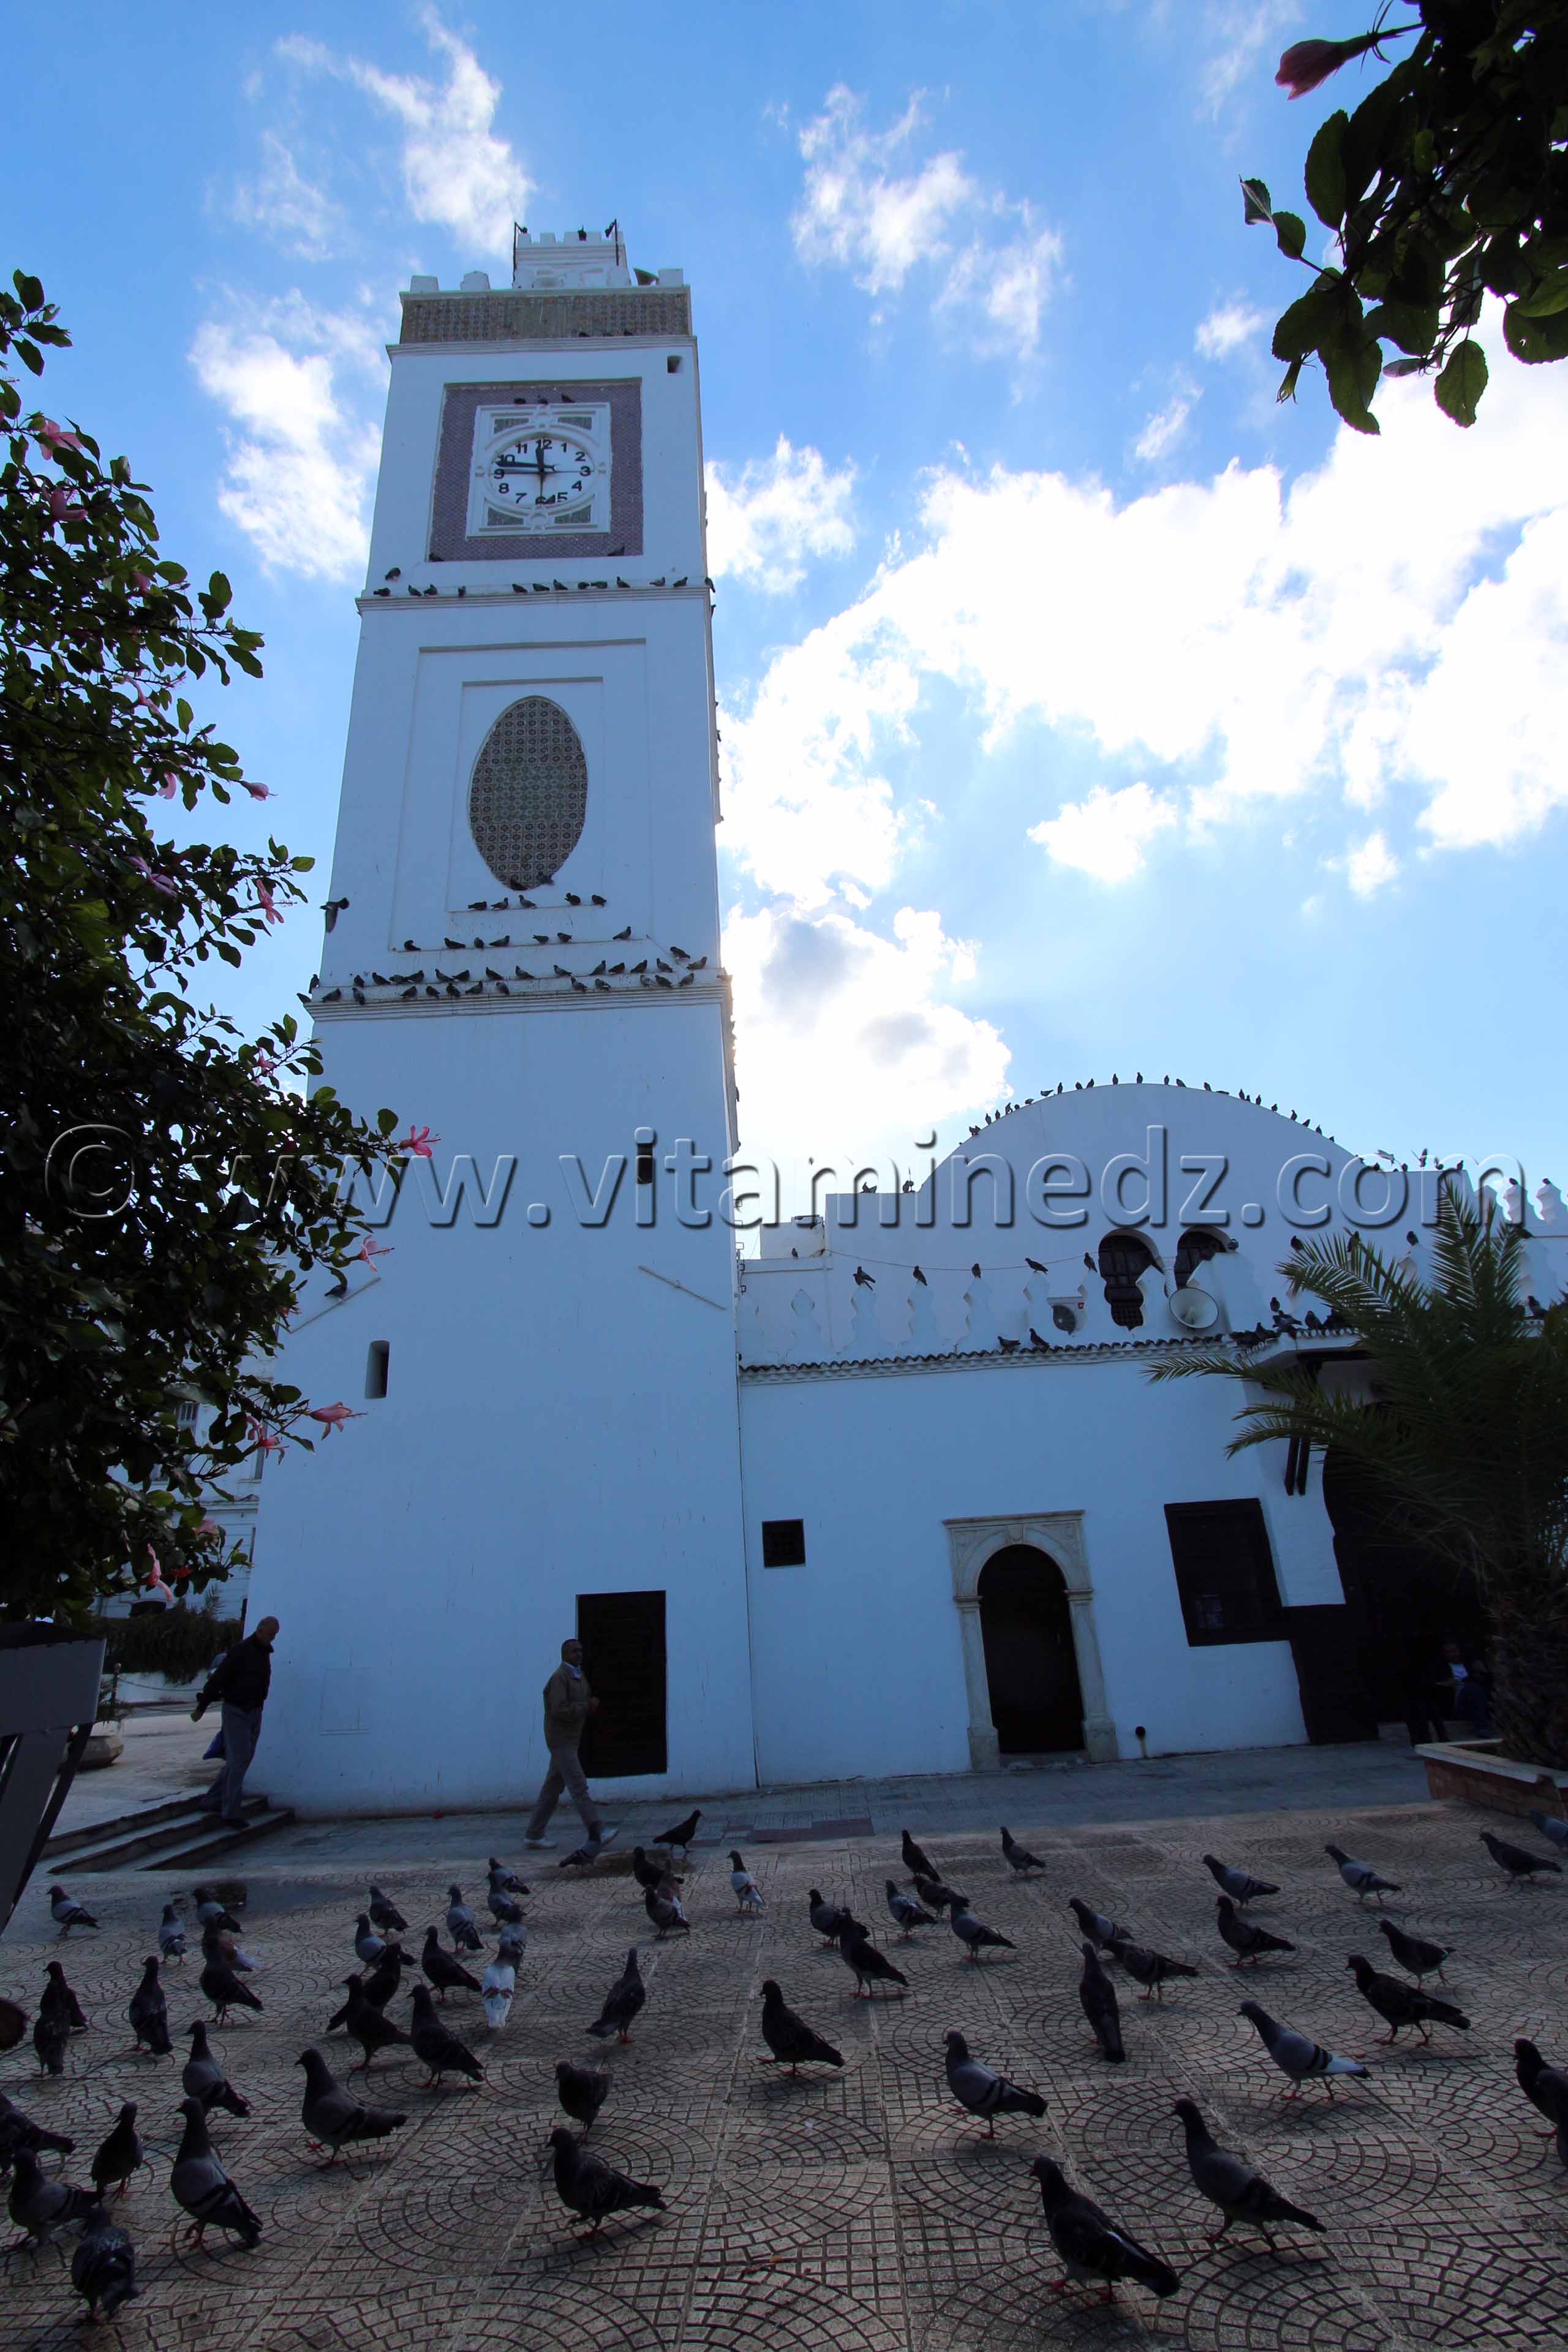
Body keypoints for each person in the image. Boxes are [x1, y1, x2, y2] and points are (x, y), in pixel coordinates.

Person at [191, 1615, 279, 1826]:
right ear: (260, 1630)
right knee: (239, 1760)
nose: (273, 1639)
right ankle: (231, 1811)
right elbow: (218, 1679)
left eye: (275, 1635)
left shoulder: (264, 1652)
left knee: (242, 1758)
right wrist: (202, 1706)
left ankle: (213, 1799)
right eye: (270, 1635)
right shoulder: (241, 1651)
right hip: (237, 1710)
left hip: (254, 1710)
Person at [523, 1638, 607, 1850]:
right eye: (574, 1651)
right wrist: (587, 1706)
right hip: (561, 1741)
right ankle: (597, 1831)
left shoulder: (577, 1675)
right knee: (579, 1786)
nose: (579, 1654)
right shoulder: (560, 1678)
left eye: (580, 1650)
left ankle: (534, 1834)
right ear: (564, 1654)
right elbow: (559, 1709)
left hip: (570, 1740)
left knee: (552, 1788)